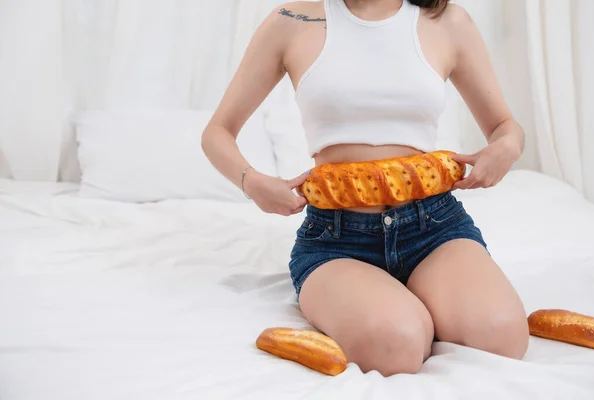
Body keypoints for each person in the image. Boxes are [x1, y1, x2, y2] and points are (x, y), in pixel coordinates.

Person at [202, 0, 529, 376]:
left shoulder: (447, 20)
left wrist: (506, 146)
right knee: (395, 346)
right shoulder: (293, 20)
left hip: (434, 227)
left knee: (501, 338)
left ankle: (423, 299)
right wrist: (251, 181)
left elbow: (505, 125)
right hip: (338, 239)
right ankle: (392, 307)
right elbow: (217, 131)